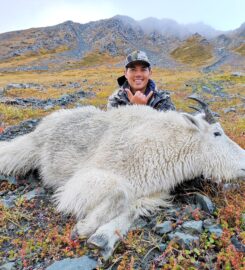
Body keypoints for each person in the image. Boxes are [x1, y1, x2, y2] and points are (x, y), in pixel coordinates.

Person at [107, 50, 176, 111]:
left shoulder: (162, 98)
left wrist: (141, 109)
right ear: (125, 74)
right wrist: (136, 108)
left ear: (150, 73)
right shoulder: (116, 99)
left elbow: (168, 124)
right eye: (133, 70)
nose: (138, 74)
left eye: (143, 69)